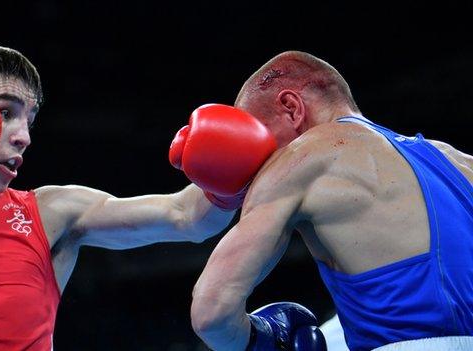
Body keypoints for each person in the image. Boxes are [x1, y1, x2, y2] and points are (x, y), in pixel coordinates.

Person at [0, 37, 256, 350]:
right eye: (5, 113)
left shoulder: (51, 211)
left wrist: (239, 157)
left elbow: (187, 217)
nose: (23, 136)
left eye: (30, 119)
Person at [178, 51, 473, 350]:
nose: (258, 160)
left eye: (257, 136)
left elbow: (211, 314)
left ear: (292, 108)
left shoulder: (301, 158)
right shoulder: (460, 162)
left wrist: (259, 340)